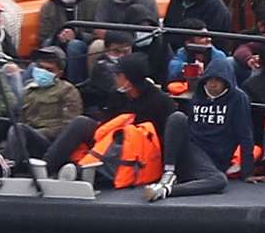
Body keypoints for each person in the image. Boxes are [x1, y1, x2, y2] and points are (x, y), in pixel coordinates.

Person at [44, 52, 174, 183]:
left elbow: (163, 138)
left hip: (138, 151)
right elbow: (108, 123)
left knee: (125, 139)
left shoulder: (161, 101)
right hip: (109, 140)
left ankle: (79, 172)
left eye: (117, 75)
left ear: (127, 79)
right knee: (81, 123)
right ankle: (47, 167)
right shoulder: (116, 94)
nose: (114, 78)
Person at [146, 55, 258, 201]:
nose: (213, 84)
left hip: (215, 159)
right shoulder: (198, 94)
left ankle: (167, 190)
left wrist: (247, 172)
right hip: (192, 149)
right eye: (210, 79)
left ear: (227, 82)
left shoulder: (238, 98)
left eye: (218, 80)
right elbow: (189, 125)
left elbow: (245, 135)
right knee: (177, 117)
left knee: (219, 181)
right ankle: (169, 172)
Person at [3, 46, 83, 164]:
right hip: (23, 138)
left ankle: (9, 166)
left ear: (59, 74)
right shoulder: (28, 88)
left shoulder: (67, 91)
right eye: (40, 67)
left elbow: (68, 128)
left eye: (49, 70)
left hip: (49, 143)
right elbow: (20, 116)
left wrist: (37, 132)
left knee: (19, 129)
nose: (42, 71)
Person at [36, 0, 96, 82]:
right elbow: (43, 38)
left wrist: (77, 35)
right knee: (47, 47)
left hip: (85, 47)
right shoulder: (48, 8)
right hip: (58, 45)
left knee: (74, 46)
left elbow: (98, 33)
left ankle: (76, 84)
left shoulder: (93, 2)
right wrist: (59, 37)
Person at [81, 30, 137, 120]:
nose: (121, 55)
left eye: (126, 52)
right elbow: (120, 89)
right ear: (106, 49)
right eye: (116, 51)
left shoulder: (134, 64)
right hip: (106, 109)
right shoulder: (102, 67)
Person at [165, 19, 226, 85]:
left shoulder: (219, 56)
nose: (209, 39)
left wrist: (208, 70)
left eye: (208, 35)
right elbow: (172, 72)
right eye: (203, 37)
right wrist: (190, 67)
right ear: (188, 42)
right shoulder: (181, 52)